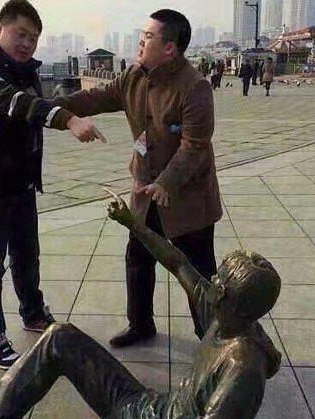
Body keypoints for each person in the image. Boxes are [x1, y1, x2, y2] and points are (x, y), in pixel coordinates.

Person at [0, 195, 282, 419]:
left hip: (145, 413)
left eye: (217, 278)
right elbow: (178, 262)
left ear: (223, 293)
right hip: (151, 406)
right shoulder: (227, 315)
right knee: (59, 337)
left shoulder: (242, 366)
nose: (210, 278)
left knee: (59, 341)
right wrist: (133, 223)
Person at [53, 9, 222, 347]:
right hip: (145, 190)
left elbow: (195, 145)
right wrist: (52, 110)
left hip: (186, 196)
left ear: (169, 48)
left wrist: (166, 183)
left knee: (197, 270)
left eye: (148, 36)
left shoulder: (195, 88)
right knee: (138, 256)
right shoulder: (133, 76)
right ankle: (140, 324)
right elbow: (96, 98)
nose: (141, 42)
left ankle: (212, 337)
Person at [0, 0, 103, 370]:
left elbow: (34, 106)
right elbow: (16, 103)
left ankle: (33, 312)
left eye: (34, 38)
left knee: (27, 254)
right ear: (0, 29)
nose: (27, 44)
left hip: (21, 181)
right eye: (21, 34)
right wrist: (68, 119)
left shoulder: (24, 69)